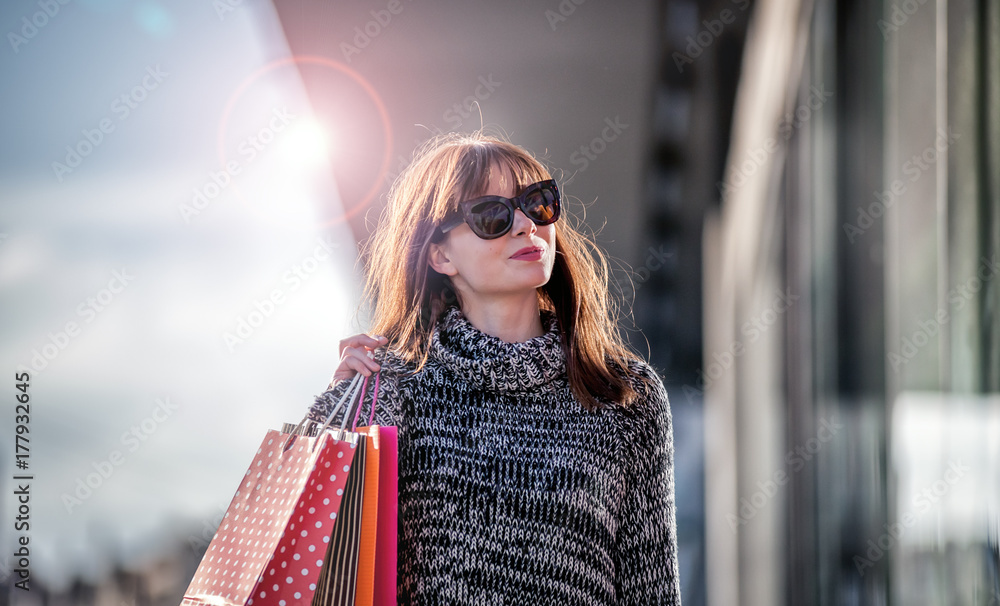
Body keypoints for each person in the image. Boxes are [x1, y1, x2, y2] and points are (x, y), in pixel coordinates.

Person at [309, 131, 681, 605]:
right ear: (440, 255)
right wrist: (336, 413)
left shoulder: (624, 393)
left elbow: (652, 590)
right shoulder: (392, 386)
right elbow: (321, 559)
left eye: (538, 202)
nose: (527, 225)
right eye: (492, 215)